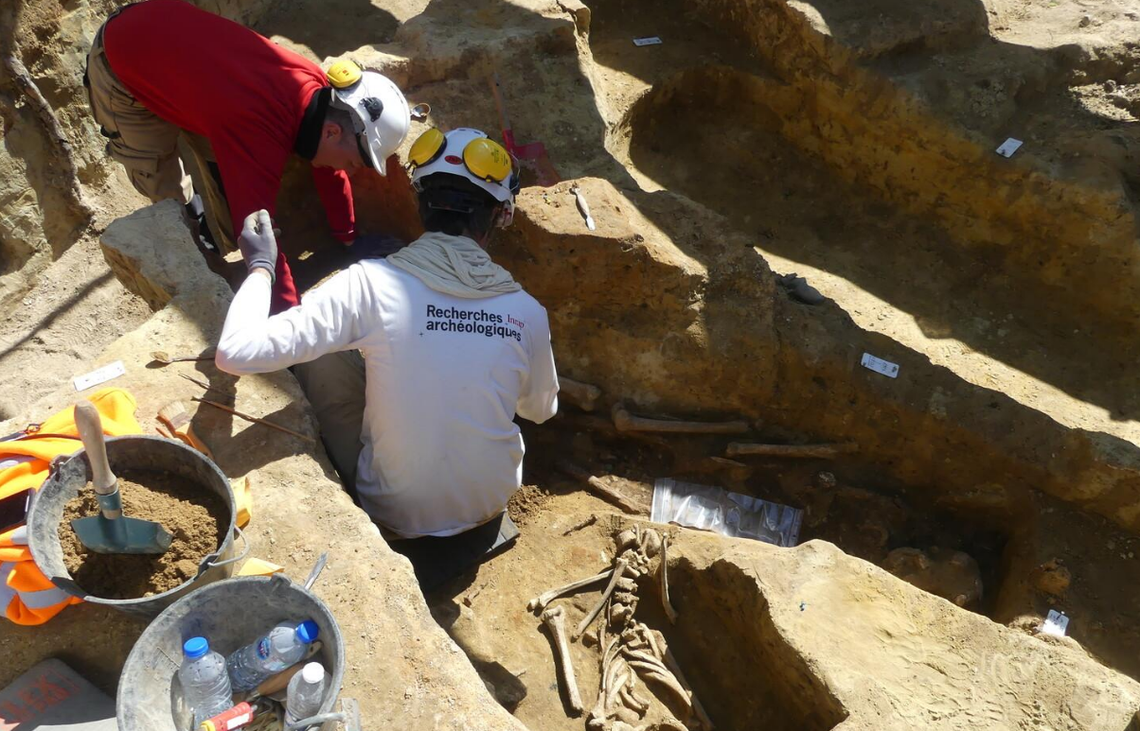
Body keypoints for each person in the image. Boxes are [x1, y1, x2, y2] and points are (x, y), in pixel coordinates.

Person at [215, 127, 559, 584]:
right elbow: (539, 410)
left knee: (323, 356)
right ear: (501, 216)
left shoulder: (368, 285)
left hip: (396, 514)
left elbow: (235, 352)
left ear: (421, 204)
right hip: (488, 503)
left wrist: (261, 265)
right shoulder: (526, 312)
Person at [84, 0, 410, 311]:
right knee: (165, 189)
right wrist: (288, 317)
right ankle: (207, 268)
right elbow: (258, 233)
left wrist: (349, 239)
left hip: (184, 53)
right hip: (124, 61)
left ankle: (219, 244)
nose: (351, 171)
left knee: (218, 160)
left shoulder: (322, 95)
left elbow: (330, 170)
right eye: (354, 162)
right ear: (331, 133)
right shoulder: (255, 135)